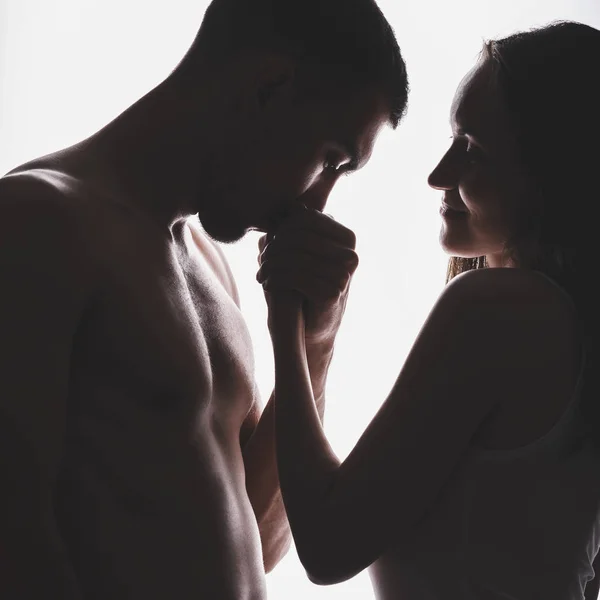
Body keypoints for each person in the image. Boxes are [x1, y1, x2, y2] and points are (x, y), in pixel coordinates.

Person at [0, 0, 408, 597]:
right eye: (328, 161)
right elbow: (14, 537)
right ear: (269, 88)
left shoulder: (211, 264)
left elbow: (263, 541)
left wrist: (313, 339)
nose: (317, 203)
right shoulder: (38, 221)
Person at [260, 20, 600, 600]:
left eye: (472, 150)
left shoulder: (500, 311)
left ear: (551, 172)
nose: (437, 174)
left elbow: (327, 543)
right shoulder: (572, 326)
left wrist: (287, 314)